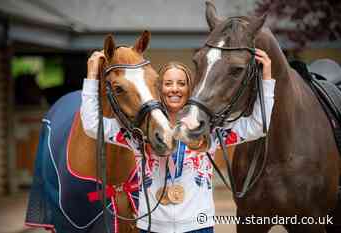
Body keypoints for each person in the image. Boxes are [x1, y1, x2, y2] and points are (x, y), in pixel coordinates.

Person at [80, 49, 275, 233]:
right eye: (168, 83)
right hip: (151, 227)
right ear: (159, 89)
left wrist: (266, 78)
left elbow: (259, 125)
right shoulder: (139, 133)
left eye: (181, 83)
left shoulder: (208, 129)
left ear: (189, 89)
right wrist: (91, 76)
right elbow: (92, 125)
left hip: (198, 227)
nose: (175, 89)